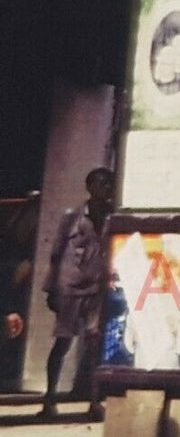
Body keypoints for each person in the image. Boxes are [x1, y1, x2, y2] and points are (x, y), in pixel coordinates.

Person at [39, 167, 114, 420]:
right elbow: (56, 253)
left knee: (95, 346)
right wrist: (51, 289)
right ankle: (49, 398)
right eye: (102, 183)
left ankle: (94, 402)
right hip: (69, 288)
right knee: (63, 342)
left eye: (109, 184)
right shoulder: (72, 217)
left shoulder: (112, 217)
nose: (107, 188)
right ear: (90, 187)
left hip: (96, 289)